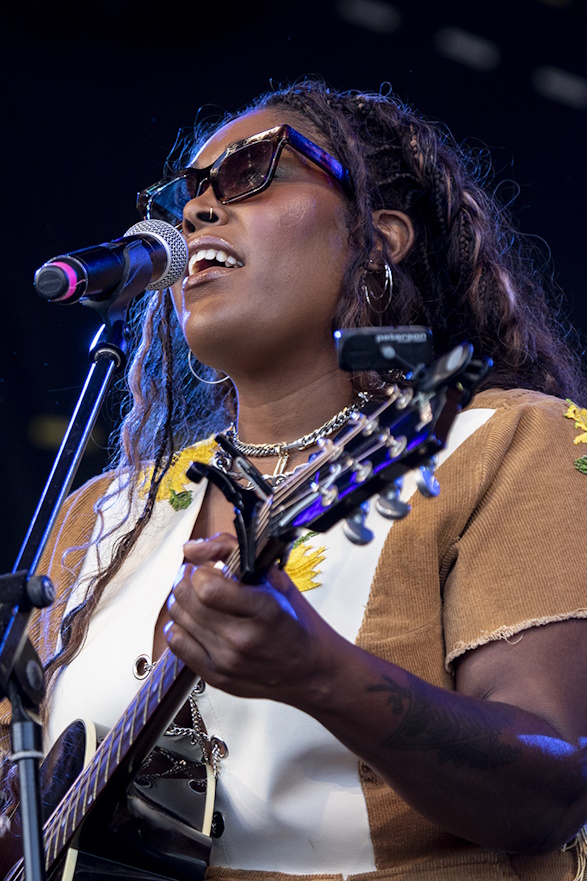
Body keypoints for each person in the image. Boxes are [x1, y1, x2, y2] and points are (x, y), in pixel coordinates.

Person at [1, 77, 587, 881]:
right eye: (186, 194)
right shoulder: (99, 516)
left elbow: (553, 791)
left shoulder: (500, 440)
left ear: (376, 240)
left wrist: (320, 672)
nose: (197, 211)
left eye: (250, 172)